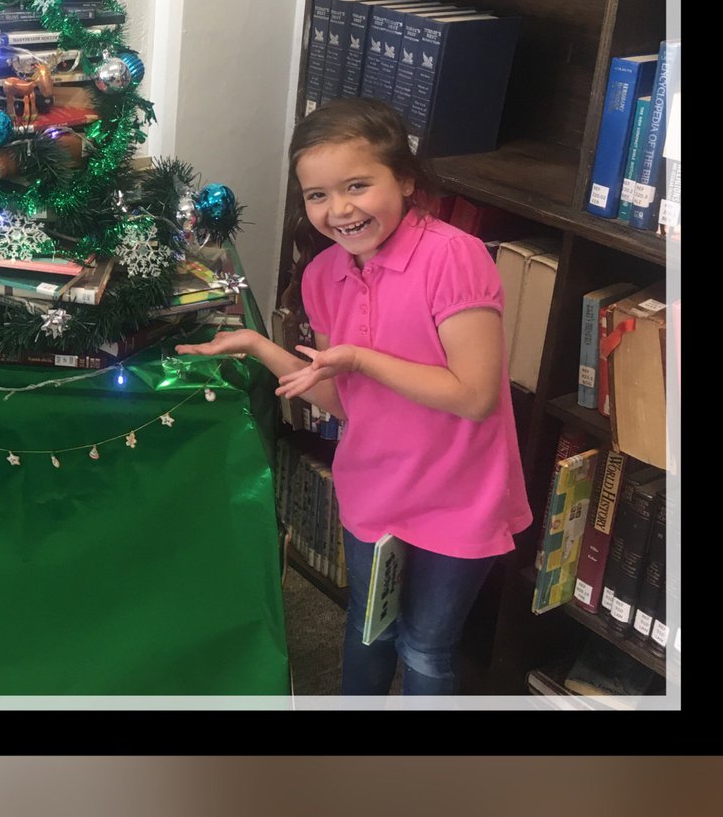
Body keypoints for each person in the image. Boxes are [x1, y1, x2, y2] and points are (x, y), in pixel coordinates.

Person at [177, 97, 531, 696]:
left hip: (460, 493)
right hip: (376, 489)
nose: (339, 209)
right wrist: (261, 348)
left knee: (424, 645)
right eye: (318, 195)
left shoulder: (453, 257)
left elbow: (473, 397)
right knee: (370, 630)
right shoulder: (322, 277)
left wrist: (362, 359)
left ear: (407, 181)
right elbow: (347, 403)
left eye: (358, 185)